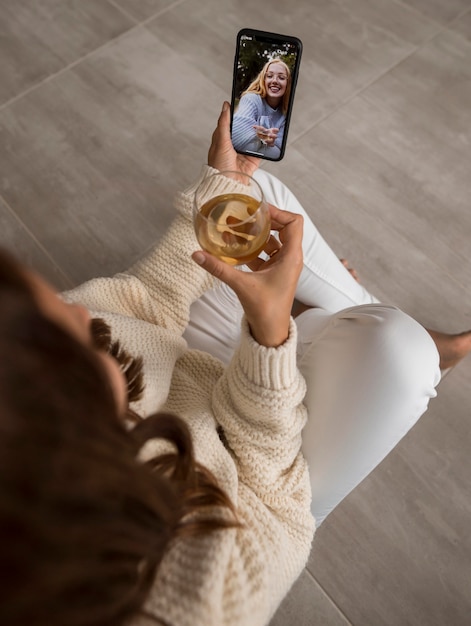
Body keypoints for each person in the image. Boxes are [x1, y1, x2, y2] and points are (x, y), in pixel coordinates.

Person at [1, 102, 470, 626]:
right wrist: (269, 336)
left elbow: (142, 301)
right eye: (77, 334)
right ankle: (368, 327)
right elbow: (273, 489)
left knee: (250, 198)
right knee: (400, 353)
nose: (81, 311)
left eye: (62, 303)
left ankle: (341, 311)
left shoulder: (39, 368)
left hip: (193, 376)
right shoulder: (192, 594)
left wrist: (223, 183)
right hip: (263, 476)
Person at [231, 58, 291, 158]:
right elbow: (235, 135)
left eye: (281, 77)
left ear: (287, 84)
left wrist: (252, 140)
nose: (275, 81)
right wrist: (261, 139)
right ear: (263, 80)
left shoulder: (285, 114)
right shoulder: (252, 99)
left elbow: (277, 154)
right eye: (270, 76)